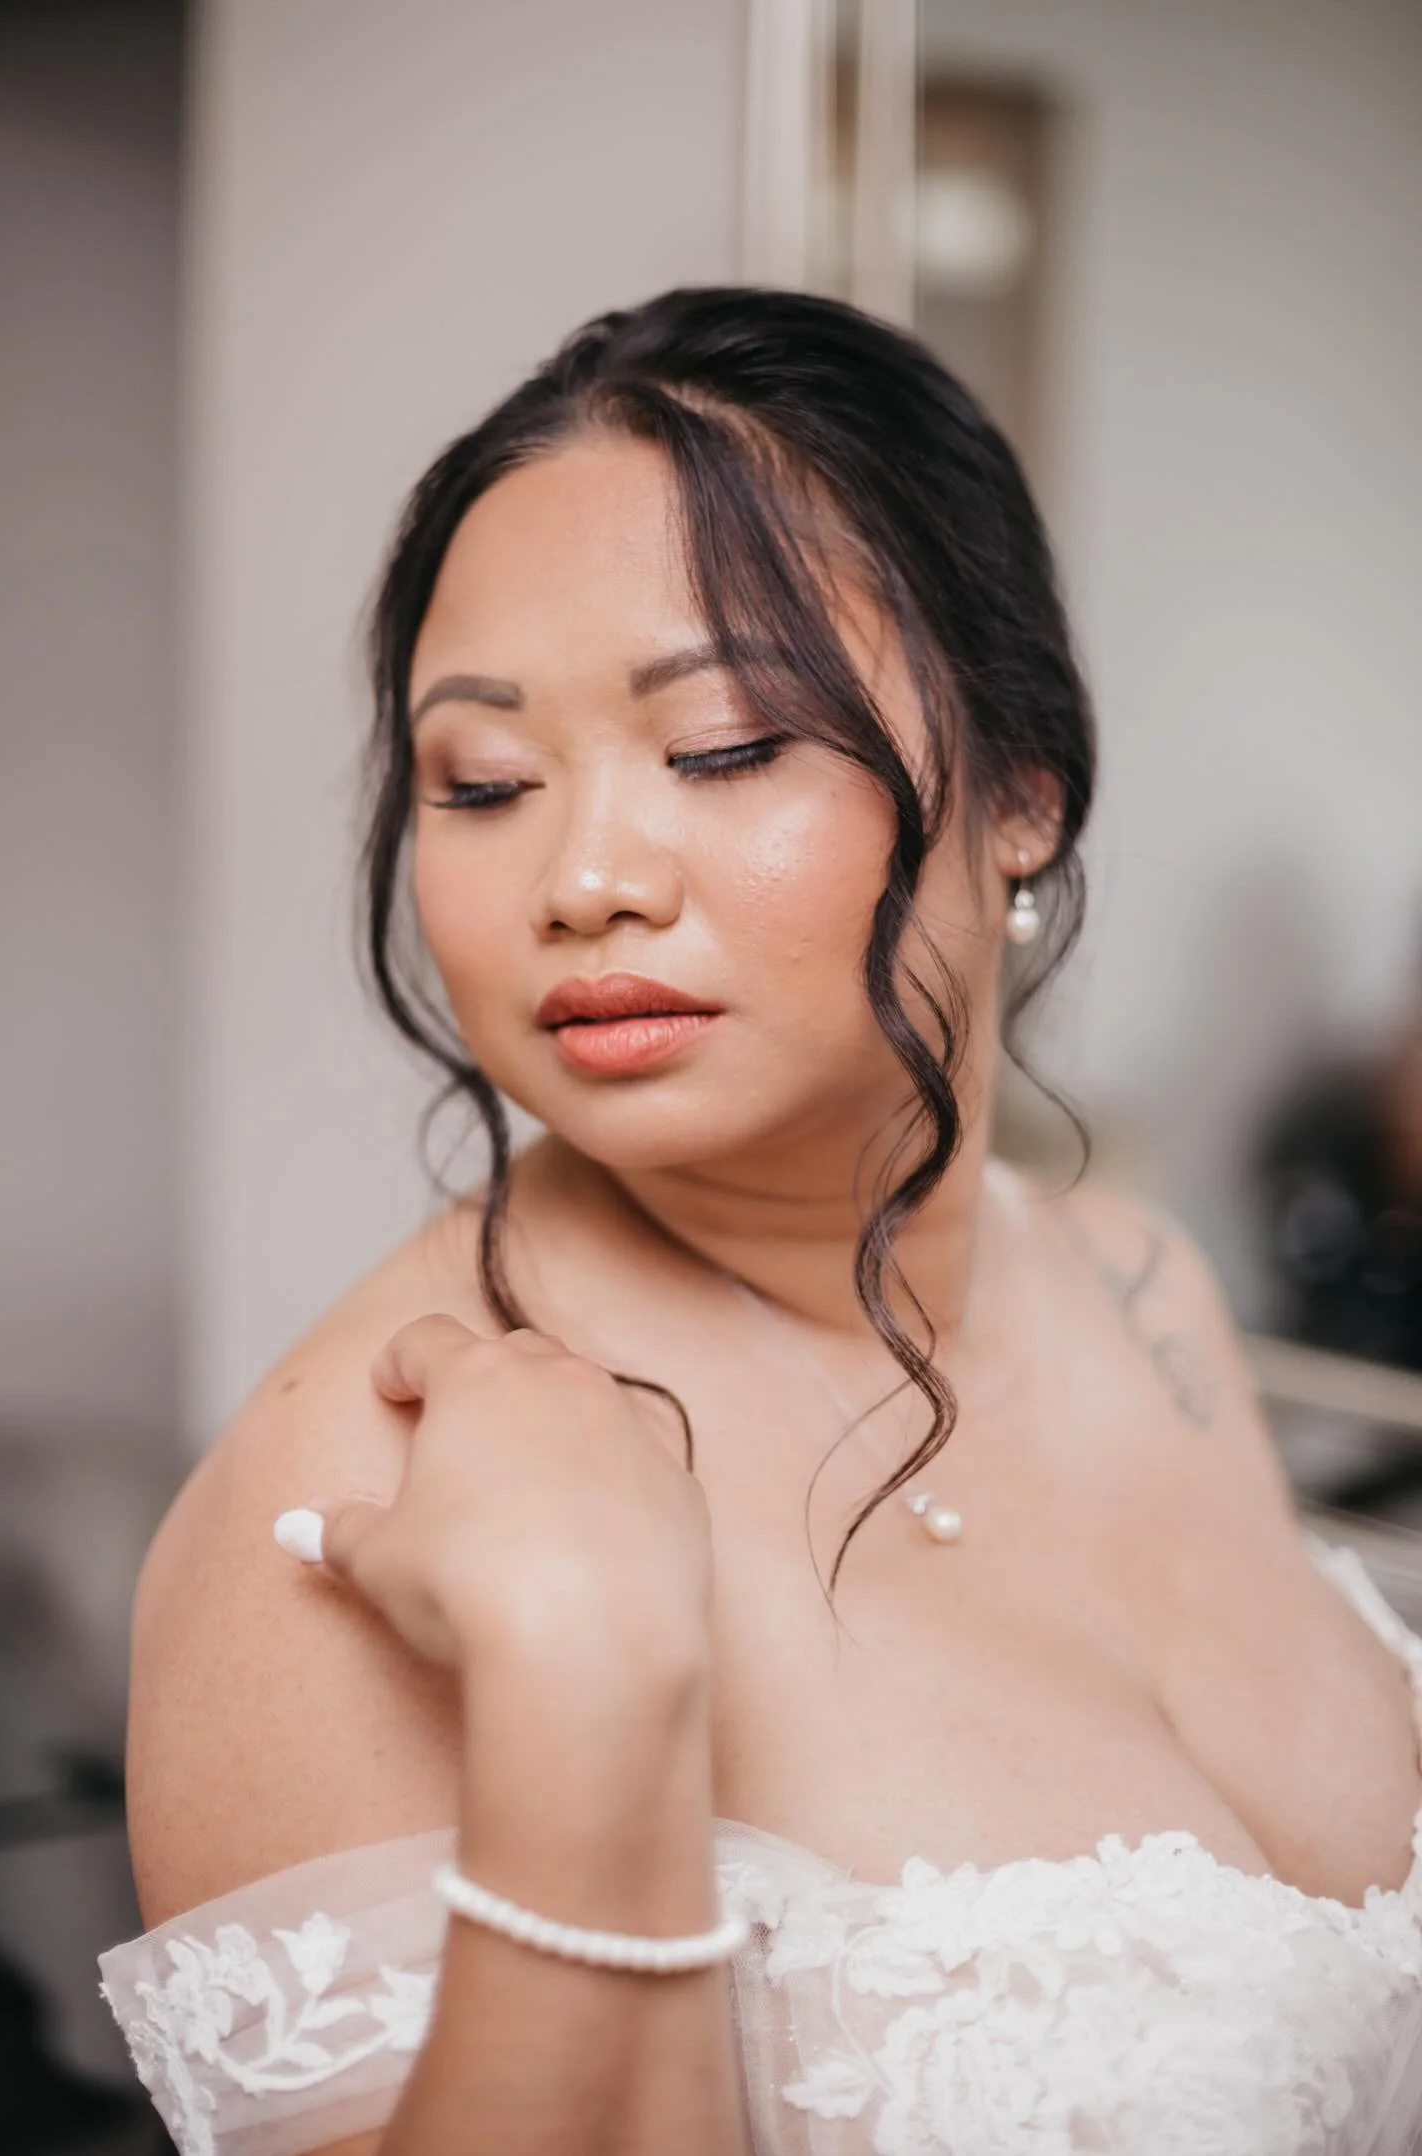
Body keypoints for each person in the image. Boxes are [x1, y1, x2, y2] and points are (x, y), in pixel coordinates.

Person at [98, 290, 1422, 2155]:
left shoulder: (1140, 1285)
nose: (583, 879)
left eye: (721, 749)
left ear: (1023, 793)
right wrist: (586, 1693)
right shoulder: (339, 1507)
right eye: (482, 783)